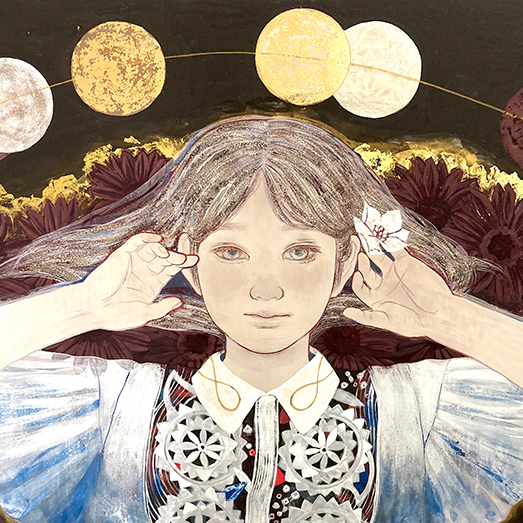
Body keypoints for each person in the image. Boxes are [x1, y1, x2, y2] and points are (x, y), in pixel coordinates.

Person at [0, 115, 522, 523]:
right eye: (231, 252)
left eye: (300, 251)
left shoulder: (417, 412)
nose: (266, 288)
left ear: (343, 265)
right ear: (192, 265)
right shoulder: (115, 408)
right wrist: (84, 304)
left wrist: (446, 317)